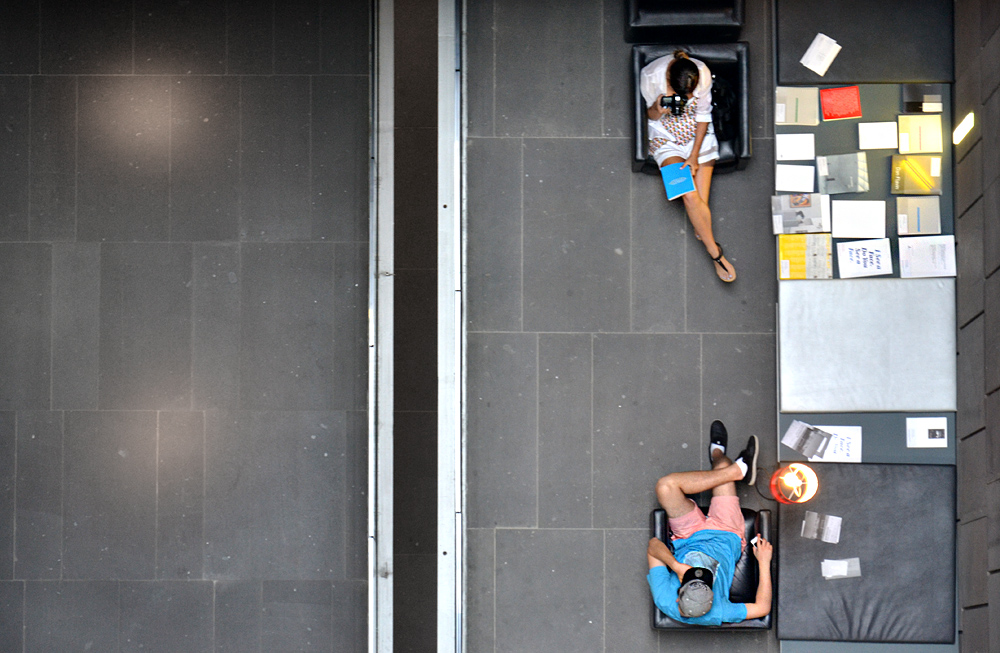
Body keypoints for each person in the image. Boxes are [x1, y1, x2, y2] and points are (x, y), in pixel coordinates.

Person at [646, 420, 772, 625]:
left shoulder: (664, 599)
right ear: (712, 599)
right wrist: (764, 562)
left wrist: (677, 567)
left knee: (665, 487)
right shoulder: (718, 612)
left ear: (679, 597)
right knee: (723, 465)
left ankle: (728, 464)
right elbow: (762, 608)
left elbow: (653, 546)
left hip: (688, 536)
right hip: (726, 533)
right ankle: (719, 457)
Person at [640, 51, 736, 282]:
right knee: (691, 199)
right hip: (665, 138)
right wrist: (657, 108)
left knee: (699, 205)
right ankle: (716, 254)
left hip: (697, 136)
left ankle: (701, 228)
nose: (687, 97)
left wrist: (693, 156)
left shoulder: (701, 72)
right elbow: (648, 116)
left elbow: (703, 116)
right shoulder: (651, 76)